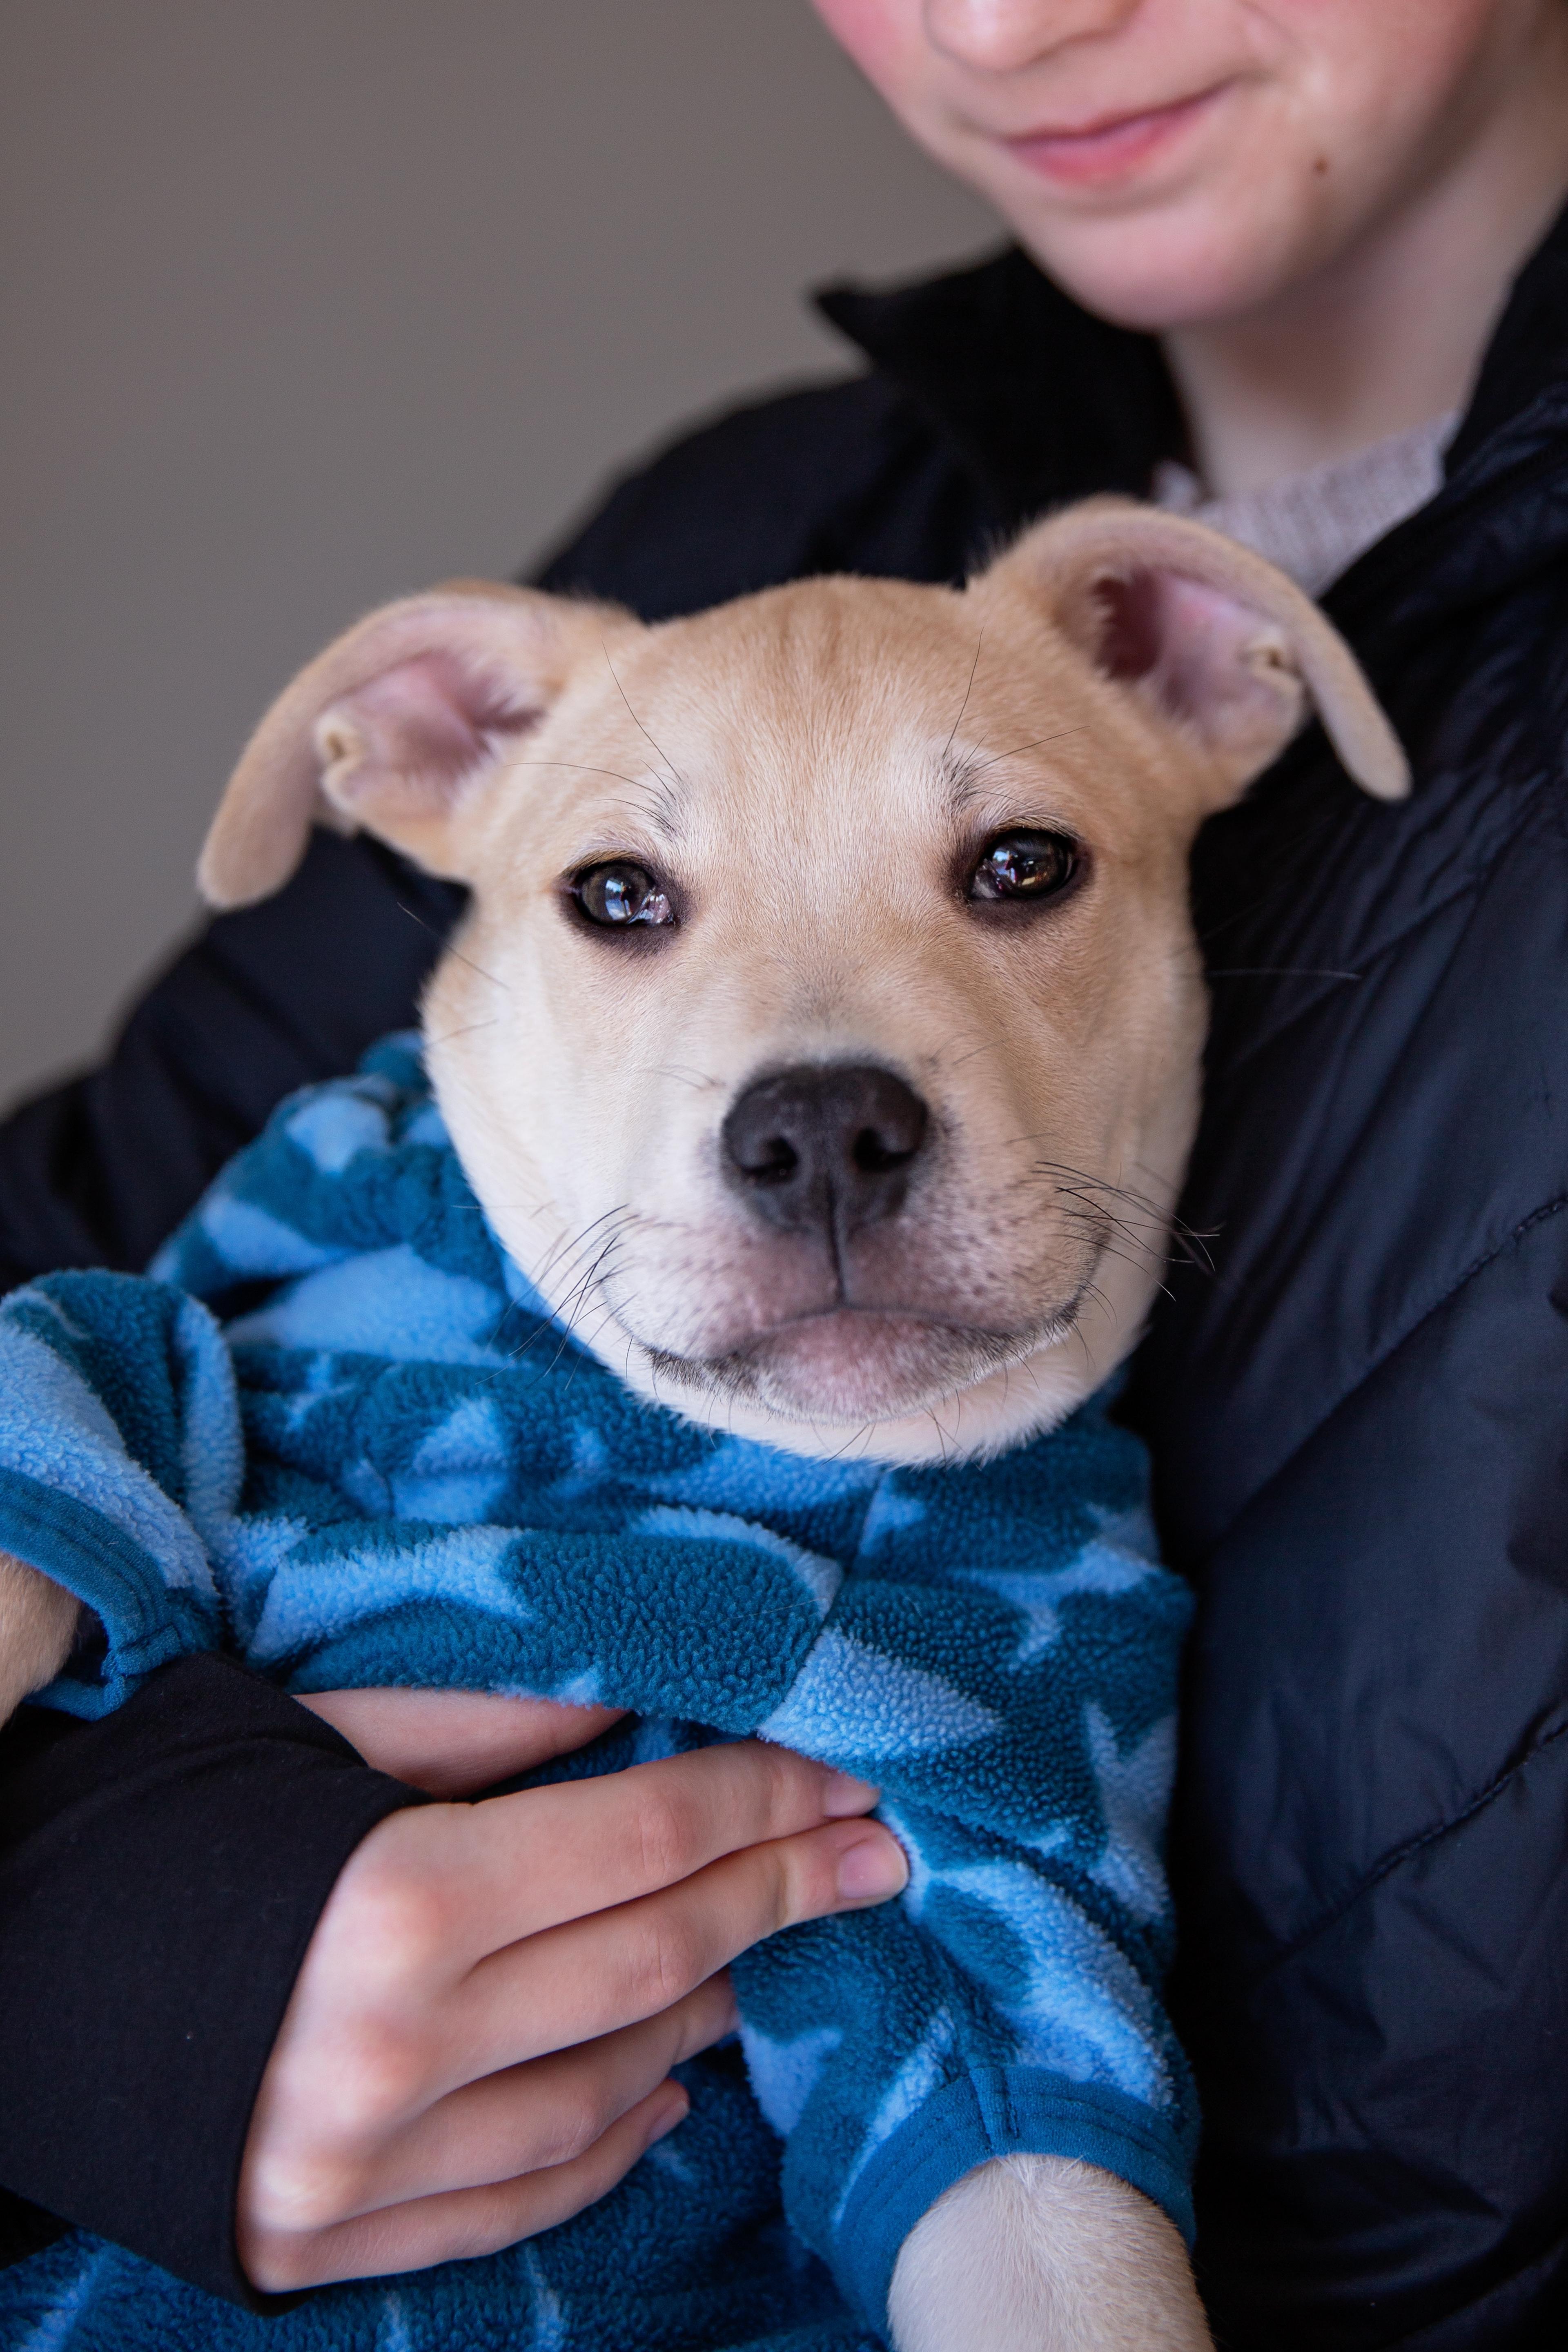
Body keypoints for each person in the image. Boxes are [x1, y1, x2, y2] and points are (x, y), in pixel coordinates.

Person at [2, 0, 1567, 2341]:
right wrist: (89, 1932)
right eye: (633, 902)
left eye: (1017, 865)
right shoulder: (734, 550)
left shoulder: (1032, 1600)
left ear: (1216, 682)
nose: (1007, 16)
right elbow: (59, 1287)